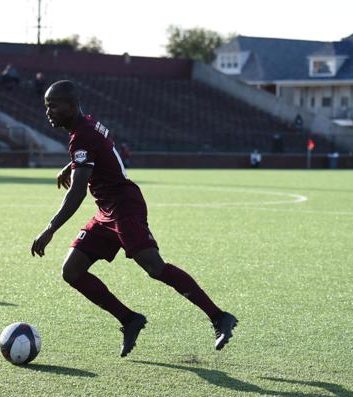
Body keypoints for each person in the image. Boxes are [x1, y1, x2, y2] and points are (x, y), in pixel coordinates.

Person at [31, 80, 238, 357]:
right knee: (72, 271)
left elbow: (78, 191)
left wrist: (50, 228)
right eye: (47, 106)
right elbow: (103, 145)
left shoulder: (82, 135)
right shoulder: (88, 125)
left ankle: (219, 316)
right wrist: (71, 164)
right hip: (107, 211)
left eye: (53, 106)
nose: (49, 112)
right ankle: (130, 319)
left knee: (154, 266)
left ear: (70, 105)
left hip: (125, 207)